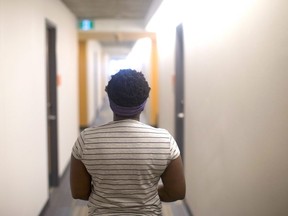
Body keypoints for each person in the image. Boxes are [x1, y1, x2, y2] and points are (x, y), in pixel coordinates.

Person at [70, 69, 186, 215]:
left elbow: (79, 192)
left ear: (110, 101)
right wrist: (144, 193)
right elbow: (176, 192)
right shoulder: (165, 141)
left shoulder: (86, 139)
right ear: (144, 103)